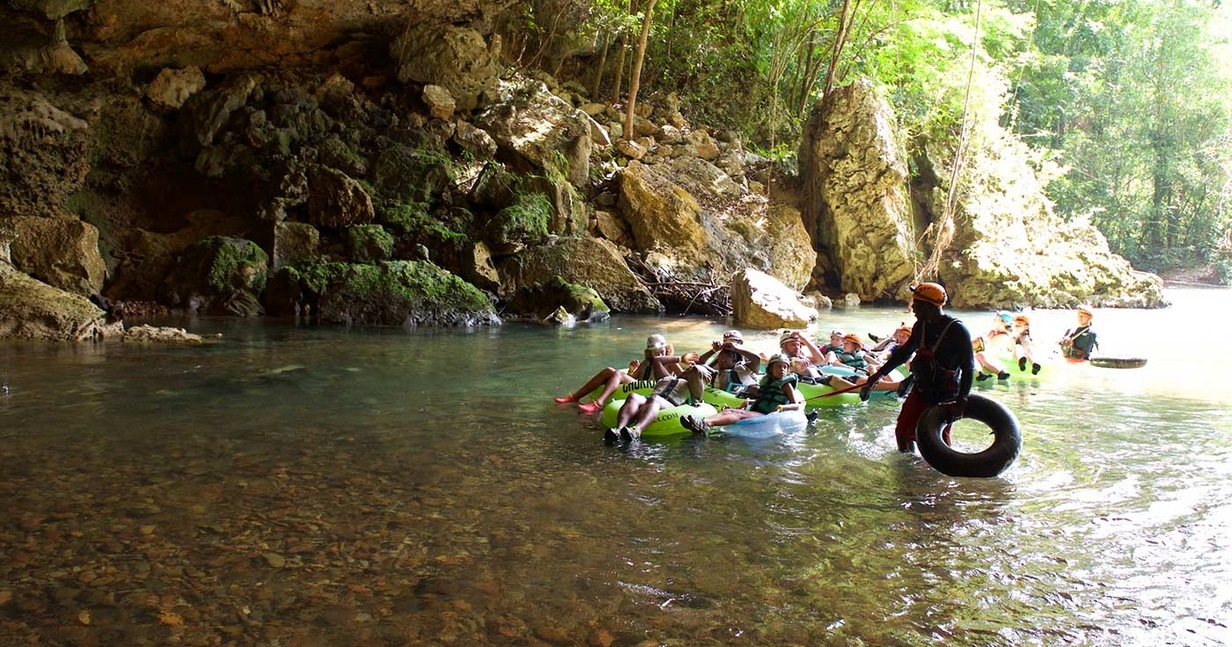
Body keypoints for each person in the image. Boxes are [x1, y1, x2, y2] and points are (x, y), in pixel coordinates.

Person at [860, 282, 975, 453]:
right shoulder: (921, 326)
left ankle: (939, 473)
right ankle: (909, 469)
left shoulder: (957, 330)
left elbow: (968, 367)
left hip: (945, 393)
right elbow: (904, 353)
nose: (912, 307)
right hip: (921, 389)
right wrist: (878, 375)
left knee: (938, 440)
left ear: (929, 306)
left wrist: (962, 400)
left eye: (916, 303)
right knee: (902, 432)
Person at [679, 354, 804, 434]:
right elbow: (764, 399)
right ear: (770, 369)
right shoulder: (768, 382)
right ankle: (702, 421)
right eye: (778, 367)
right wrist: (749, 402)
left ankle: (706, 424)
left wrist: (782, 407)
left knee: (739, 414)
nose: (781, 370)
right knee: (729, 411)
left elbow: (796, 405)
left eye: (784, 367)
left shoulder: (786, 384)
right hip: (760, 410)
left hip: (768, 415)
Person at [555, 334, 673, 413]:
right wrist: (632, 370)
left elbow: (682, 379)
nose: (660, 356)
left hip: (655, 389)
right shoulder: (646, 363)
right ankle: (574, 397)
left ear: (666, 350)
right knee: (609, 371)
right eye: (656, 353)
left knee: (618, 374)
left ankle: (598, 403)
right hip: (642, 386)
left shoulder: (671, 362)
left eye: (662, 352)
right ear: (650, 353)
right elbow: (632, 379)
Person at [606, 350, 701, 442]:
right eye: (690, 366)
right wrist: (680, 359)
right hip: (651, 400)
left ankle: (636, 431)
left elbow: (697, 372)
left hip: (670, 405)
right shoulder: (666, 377)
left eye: (693, 367)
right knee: (633, 396)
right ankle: (619, 430)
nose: (691, 367)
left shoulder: (694, 386)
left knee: (655, 399)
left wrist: (696, 369)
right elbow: (657, 360)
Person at [683, 329, 761, 398]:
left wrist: (736, 348)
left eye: (733, 342)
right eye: (726, 342)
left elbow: (757, 359)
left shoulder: (746, 361)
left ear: (739, 343)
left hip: (742, 391)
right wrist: (713, 350)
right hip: (720, 393)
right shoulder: (720, 358)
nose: (729, 345)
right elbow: (700, 363)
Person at [972, 312, 1012, 381]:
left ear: (1003, 323)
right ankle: (980, 373)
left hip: (996, 356)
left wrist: (984, 341)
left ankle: (1000, 373)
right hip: (987, 354)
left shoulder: (1004, 336)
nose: (994, 320)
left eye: (996, 319)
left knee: (979, 355)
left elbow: (992, 347)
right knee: (974, 355)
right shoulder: (993, 332)